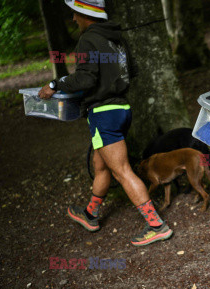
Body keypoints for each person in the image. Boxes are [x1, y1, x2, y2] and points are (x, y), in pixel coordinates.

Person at [38, 0, 173, 246]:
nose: (73, 19)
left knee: (121, 170)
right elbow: (130, 71)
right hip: (121, 109)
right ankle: (91, 214)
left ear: (83, 13)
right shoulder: (117, 39)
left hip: (103, 113)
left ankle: (156, 225)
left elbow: (85, 78)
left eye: (75, 14)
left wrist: (54, 85)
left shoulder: (87, 40)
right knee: (101, 165)